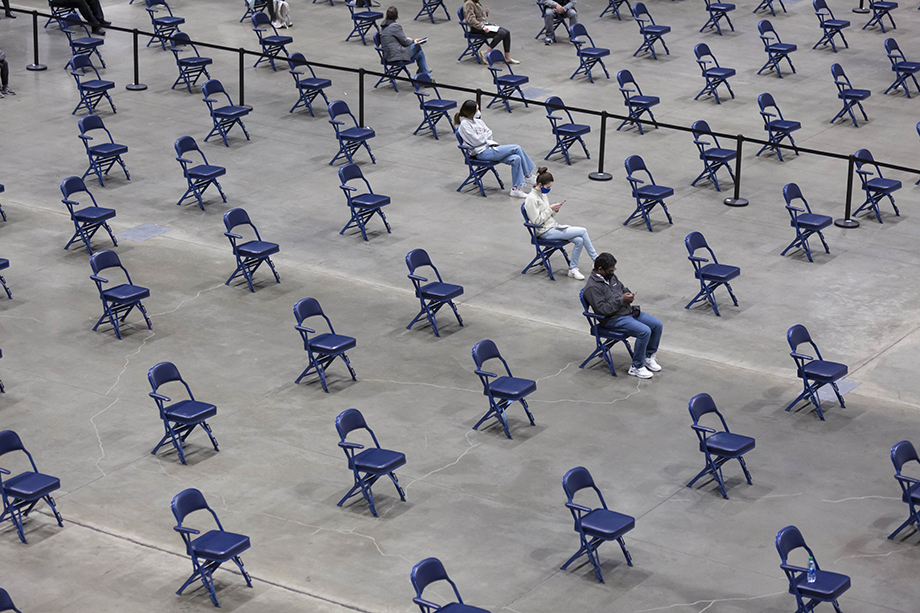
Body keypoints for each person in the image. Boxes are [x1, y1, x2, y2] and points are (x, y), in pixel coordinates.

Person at [582, 253, 663, 379]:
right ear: (600, 270)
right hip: (613, 319)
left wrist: (628, 294)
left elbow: (622, 288)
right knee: (644, 331)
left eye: (614, 270)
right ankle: (636, 367)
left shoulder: (611, 277)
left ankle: (648, 356)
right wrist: (621, 300)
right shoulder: (592, 287)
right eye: (610, 270)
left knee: (657, 325)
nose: (613, 272)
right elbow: (602, 310)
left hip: (627, 311)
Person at [524, 167, 596, 279]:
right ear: (540, 184)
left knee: (579, 240)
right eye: (548, 187)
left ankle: (572, 269)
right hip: (544, 232)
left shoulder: (543, 195)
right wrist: (550, 209)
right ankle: (596, 260)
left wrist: (554, 210)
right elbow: (537, 221)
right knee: (583, 231)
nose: (549, 189)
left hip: (553, 227)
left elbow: (548, 216)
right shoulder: (531, 199)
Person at [454, 100, 536, 198]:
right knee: (517, 148)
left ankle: (516, 189)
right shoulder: (464, 125)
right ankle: (528, 175)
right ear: (471, 111)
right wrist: (485, 137)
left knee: (516, 159)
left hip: (490, 148)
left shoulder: (479, 121)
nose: (479, 111)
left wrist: (484, 138)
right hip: (481, 153)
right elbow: (476, 141)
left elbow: (489, 133)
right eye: (477, 109)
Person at [463, 0, 517, 64]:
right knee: (502, 33)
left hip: (484, 25)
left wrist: (485, 14)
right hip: (477, 28)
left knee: (507, 32)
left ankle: (507, 58)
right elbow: (471, 20)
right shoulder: (469, 3)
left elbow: (478, 16)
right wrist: (482, 26)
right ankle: (485, 53)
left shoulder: (476, 2)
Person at [379, 6, 429, 76]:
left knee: (419, 54)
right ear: (396, 16)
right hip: (396, 57)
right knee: (417, 47)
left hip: (388, 55)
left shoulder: (383, 26)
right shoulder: (395, 26)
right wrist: (413, 41)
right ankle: (425, 74)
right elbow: (405, 42)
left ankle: (425, 73)